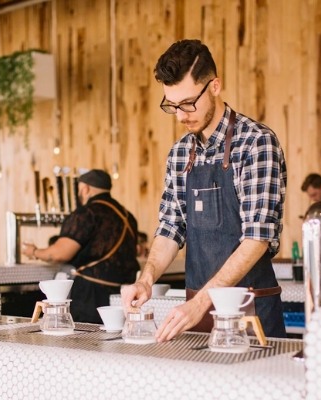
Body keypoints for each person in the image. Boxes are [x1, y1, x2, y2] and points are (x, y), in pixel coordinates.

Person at [121, 39, 288, 341]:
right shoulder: (180, 153)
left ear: (214, 86)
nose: (181, 115)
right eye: (171, 106)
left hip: (249, 313)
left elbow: (257, 239)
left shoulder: (256, 143)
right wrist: (145, 279)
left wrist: (201, 302)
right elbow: (171, 227)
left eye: (187, 103)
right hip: (196, 315)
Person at [22, 169, 139, 324]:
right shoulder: (127, 216)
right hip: (124, 295)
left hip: (91, 296)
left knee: (86, 342)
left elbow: (58, 254)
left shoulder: (87, 213)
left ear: (85, 189)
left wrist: (34, 251)